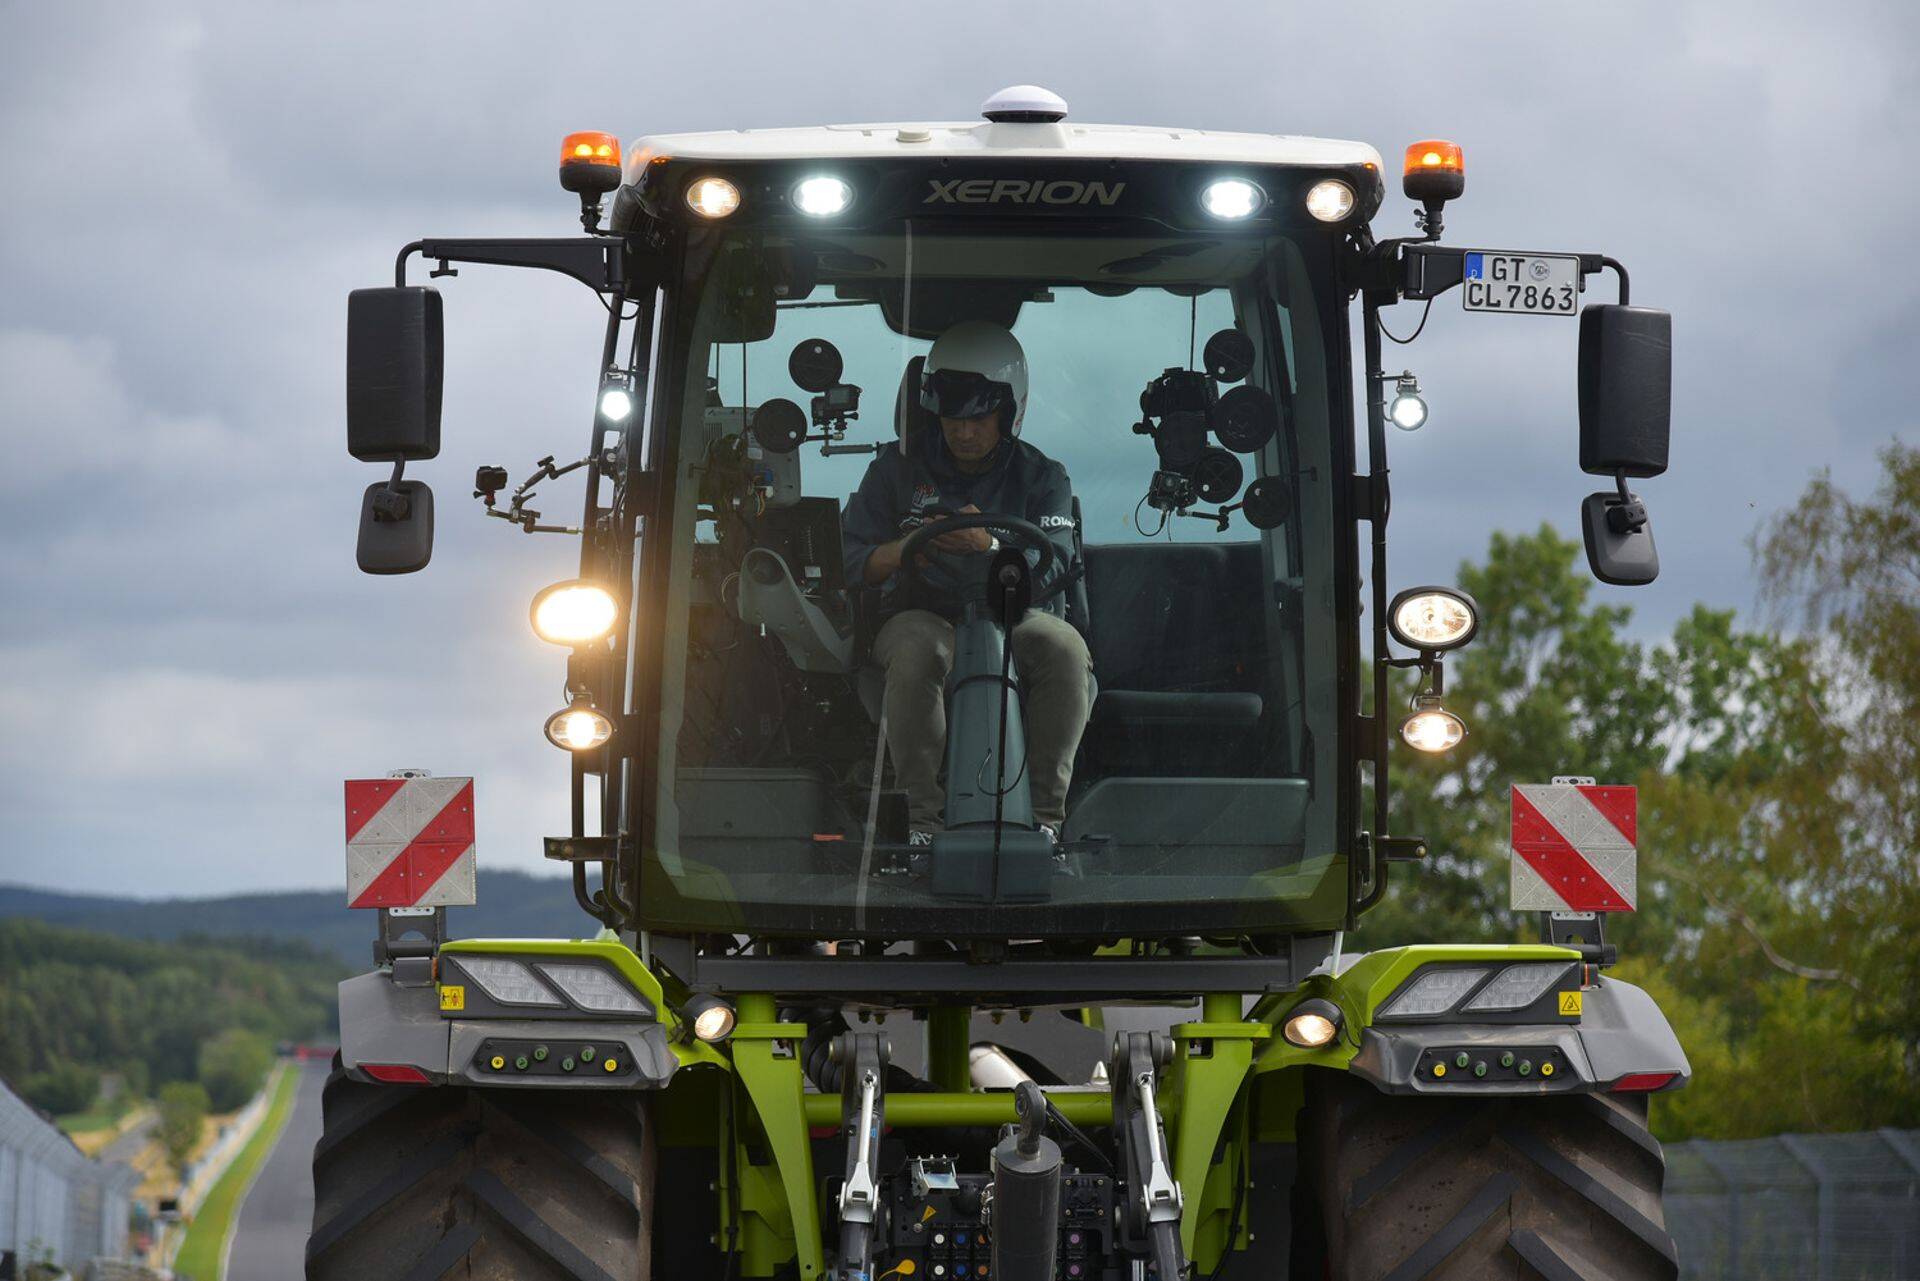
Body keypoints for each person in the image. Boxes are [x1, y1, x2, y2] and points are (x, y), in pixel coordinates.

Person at [841, 320, 1092, 840]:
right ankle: (923, 825)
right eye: (952, 416)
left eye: (979, 417)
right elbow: (852, 560)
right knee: (913, 652)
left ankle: (1044, 824)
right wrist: (907, 547)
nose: (963, 431)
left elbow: (1058, 564)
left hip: (1017, 617)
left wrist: (992, 547)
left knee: (1064, 650)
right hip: (924, 615)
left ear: (1010, 410)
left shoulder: (1045, 476)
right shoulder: (894, 468)